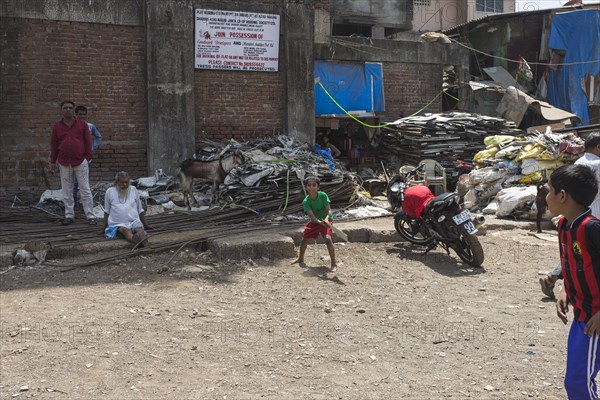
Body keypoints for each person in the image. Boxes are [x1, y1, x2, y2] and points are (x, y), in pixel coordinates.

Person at [545, 164, 600, 399]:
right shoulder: (564, 226)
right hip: (582, 318)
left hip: (595, 319)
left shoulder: (592, 228)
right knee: (577, 380)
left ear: (563, 195)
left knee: (578, 382)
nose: (546, 196)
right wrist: (566, 289)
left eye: (549, 190)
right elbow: (573, 263)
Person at [540, 132, 600, 298]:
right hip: (591, 216)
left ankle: (555, 279)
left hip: (576, 215)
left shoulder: (579, 163)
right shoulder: (598, 164)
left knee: (577, 255)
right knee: (581, 257)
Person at [49, 100, 97, 226]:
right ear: (61, 110)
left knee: (85, 189)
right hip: (64, 162)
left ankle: (90, 216)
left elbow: (88, 142)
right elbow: (54, 145)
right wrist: (53, 161)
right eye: (65, 108)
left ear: (73, 110)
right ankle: (69, 215)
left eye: (70, 108)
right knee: (67, 190)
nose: (68, 110)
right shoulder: (57, 126)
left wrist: (87, 158)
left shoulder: (82, 124)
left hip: (80, 161)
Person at [291, 176, 338, 272]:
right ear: (306, 187)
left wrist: (326, 219)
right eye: (309, 185)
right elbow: (312, 217)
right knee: (304, 240)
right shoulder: (306, 201)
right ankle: (300, 258)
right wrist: (320, 222)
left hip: (326, 221)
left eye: (314, 185)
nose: (311, 187)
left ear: (318, 187)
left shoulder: (323, 195)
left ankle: (334, 263)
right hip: (315, 222)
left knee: (328, 240)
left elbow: (329, 210)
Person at [101, 171, 154, 248]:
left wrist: (146, 225)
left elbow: (140, 209)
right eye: (122, 182)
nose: (125, 185)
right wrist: (103, 228)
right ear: (116, 182)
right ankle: (139, 243)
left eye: (126, 182)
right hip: (118, 224)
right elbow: (107, 211)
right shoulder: (109, 192)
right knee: (126, 231)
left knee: (139, 229)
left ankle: (140, 241)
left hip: (134, 221)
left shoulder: (133, 189)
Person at [73, 105, 102, 202]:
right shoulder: (71, 126)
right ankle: (73, 202)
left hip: (86, 159)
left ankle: (84, 202)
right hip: (73, 158)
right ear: (76, 114)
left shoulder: (90, 126)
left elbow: (98, 137)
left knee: (84, 181)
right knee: (73, 182)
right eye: (80, 114)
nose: (82, 117)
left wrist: (92, 146)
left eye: (84, 115)